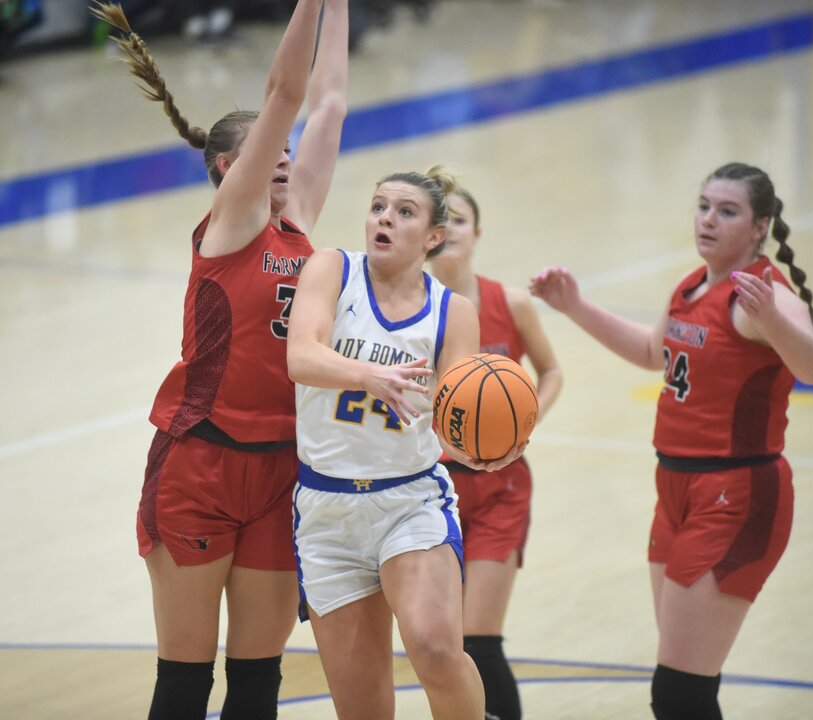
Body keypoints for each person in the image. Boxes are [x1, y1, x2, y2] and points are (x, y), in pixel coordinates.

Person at [90, 0, 348, 718]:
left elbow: (328, 102)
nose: (291, 170)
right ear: (235, 168)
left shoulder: (299, 229)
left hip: (278, 471)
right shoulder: (232, 227)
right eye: (277, 159)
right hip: (200, 463)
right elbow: (288, 95)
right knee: (185, 682)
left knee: (259, 681)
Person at [530, 162, 813, 719]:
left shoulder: (761, 296)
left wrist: (778, 321)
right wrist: (573, 307)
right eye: (704, 205)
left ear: (759, 226)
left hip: (735, 494)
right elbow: (651, 353)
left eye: (728, 211)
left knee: (677, 694)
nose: (709, 219)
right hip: (675, 489)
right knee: (686, 686)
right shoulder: (692, 285)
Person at [286, 165, 526, 720]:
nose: (384, 219)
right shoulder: (332, 269)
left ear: (433, 236)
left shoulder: (452, 312)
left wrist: (481, 450)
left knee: (437, 650)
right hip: (327, 512)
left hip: (409, 501)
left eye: (403, 211)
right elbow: (300, 356)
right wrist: (368, 375)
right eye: (377, 207)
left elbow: (452, 419)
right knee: (363, 707)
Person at [427, 185, 563, 720]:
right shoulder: (414, 309)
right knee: (443, 643)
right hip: (434, 488)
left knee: (480, 639)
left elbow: (551, 371)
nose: (452, 230)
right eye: (444, 220)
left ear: (477, 233)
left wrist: (522, 425)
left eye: (461, 220)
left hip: (502, 486)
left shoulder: (511, 302)